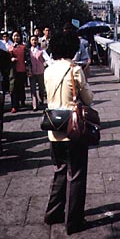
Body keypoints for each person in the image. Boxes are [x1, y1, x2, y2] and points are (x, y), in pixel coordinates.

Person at [44, 30, 93, 235]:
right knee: (77, 174)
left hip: (53, 128)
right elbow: (88, 99)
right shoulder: (74, 70)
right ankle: (73, 221)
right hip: (72, 128)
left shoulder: (49, 69)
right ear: (72, 48)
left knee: (60, 171)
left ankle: (53, 213)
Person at [8, 30, 32, 113]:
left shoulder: (24, 47)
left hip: (22, 70)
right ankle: (14, 105)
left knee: (21, 87)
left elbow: (28, 59)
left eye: (17, 36)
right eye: (14, 36)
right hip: (12, 71)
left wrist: (29, 70)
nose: (16, 37)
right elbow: (6, 60)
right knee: (13, 88)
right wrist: (11, 59)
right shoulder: (10, 47)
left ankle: (22, 101)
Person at [29, 35, 52, 111]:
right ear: (30, 41)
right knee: (33, 89)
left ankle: (41, 100)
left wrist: (51, 66)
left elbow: (47, 59)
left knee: (41, 88)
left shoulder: (41, 50)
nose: (34, 41)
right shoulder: (28, 51)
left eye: (35, 40)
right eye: (32, 40)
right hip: (32, 72)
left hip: (41, 72)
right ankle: (34, 105)